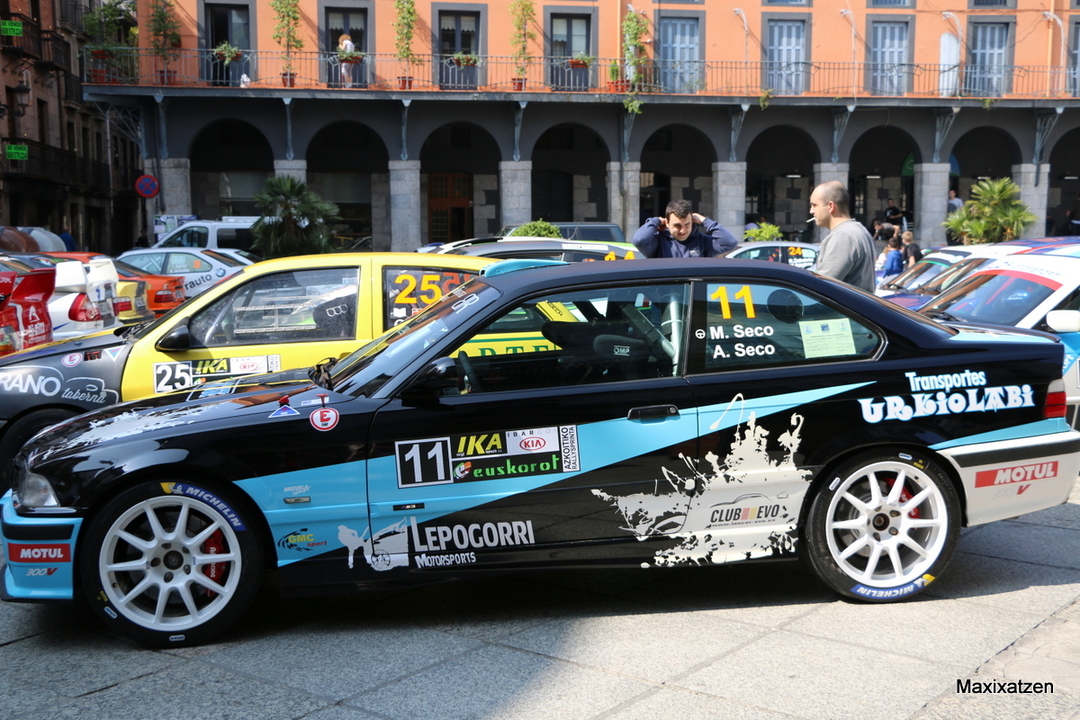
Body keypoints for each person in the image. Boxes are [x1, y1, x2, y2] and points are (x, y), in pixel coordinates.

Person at [809, 180, 876, 291]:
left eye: (814, 205)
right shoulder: (859, 230)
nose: (811, 211)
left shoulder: (843, 236)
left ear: (830, 206)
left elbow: (822, 285)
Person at [632, 199, 738, 258]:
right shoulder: (658, 242)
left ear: (693, 221)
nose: (683, 230)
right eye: (677, 225)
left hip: (695, 291)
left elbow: (730, 242)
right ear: (667, 223)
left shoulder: (702, 241)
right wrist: (655, 222)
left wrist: (705, 221)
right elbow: (639, 240)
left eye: (687, 224)